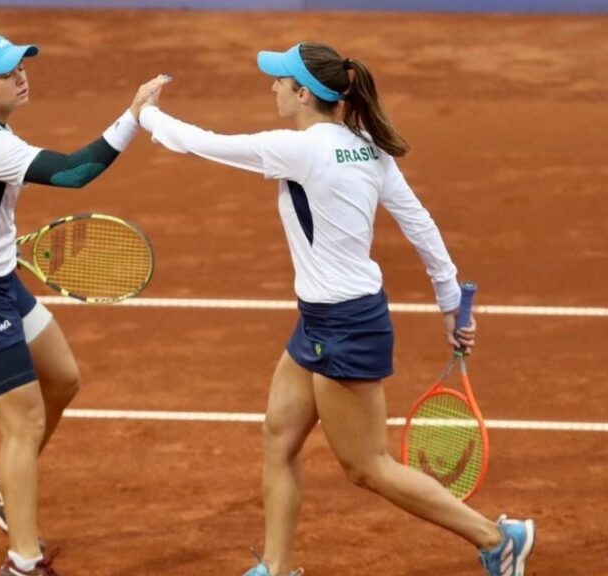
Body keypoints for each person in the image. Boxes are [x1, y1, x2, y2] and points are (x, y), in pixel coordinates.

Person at [133, 43, 535, 576]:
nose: (271, 87)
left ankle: (496, 538)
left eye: (279, 81)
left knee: (368, 466)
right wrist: (449, 302)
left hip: (343, 326)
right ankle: (277, 567)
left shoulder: (302, 149)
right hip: (325, 320)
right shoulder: (365, 148)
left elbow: (204, 144)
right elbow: (420, 225)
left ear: (303, 94)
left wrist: (147, 113)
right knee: (279, 434)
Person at [0, 14, 168, 576]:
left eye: (22, 65)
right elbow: (76, 172)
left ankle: (3, 483)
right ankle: (23, 562)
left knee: (62, 378)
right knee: (22, 423)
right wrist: (132, 116)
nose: (21, 76)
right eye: (8, 72)